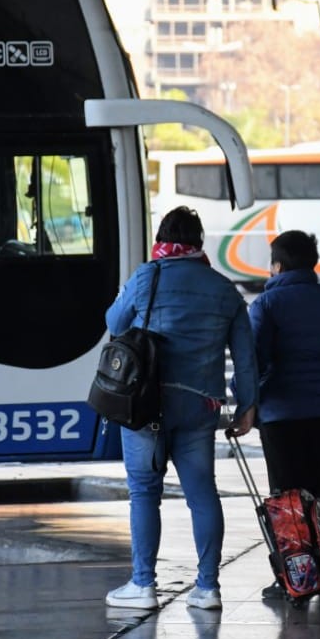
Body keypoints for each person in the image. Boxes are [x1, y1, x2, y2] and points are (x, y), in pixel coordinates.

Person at [103, 206, 259, 612]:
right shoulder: (223, 288)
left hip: (146, 404)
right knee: (202, 494)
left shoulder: (146, 276)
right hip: (199, 406)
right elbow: (245, 355)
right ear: (199, 243)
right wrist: (247, 406)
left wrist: (129, 294)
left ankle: (143, 586)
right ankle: (207, 588)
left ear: (162, 239)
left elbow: (115, 323)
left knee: (143, 493)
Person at [245, 230, 320, 599]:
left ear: (277, 265)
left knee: (287, 500)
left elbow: (254, 362)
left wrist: (246, 400)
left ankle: (296, 579)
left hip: (280, 416)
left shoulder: (266, 305)